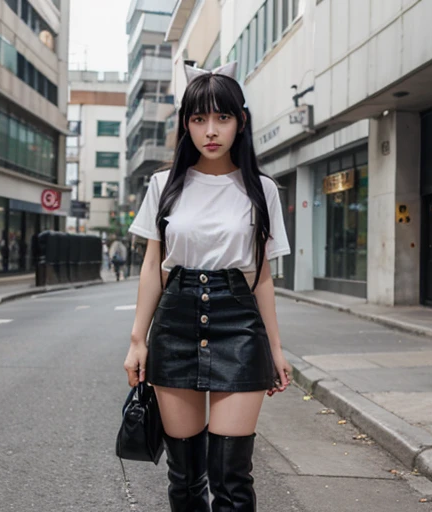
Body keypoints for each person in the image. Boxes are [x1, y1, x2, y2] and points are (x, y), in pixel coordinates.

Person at [124, 61, 293, 512]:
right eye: (199, 119)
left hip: (239, 326)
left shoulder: (262, 190)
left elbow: (262, 278)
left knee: (233, 480)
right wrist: (138, 340)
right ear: (186, 124)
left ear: (241, 122)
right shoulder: (164, 185)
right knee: (184, 481)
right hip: (175, 324)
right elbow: (153, 265)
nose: (211, 130)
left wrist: (275, 349)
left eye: (222, 117)